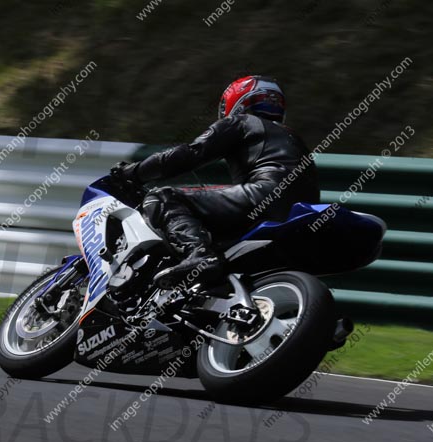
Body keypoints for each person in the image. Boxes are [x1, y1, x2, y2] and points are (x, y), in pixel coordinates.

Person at [110, 75, 319, 288]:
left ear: (238, 101)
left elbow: (191, 153)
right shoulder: (294, 137)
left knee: (163, 198)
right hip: (300, 212)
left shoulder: (242, 122)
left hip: (263, 195)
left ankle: (199, 255)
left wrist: (132, 172)